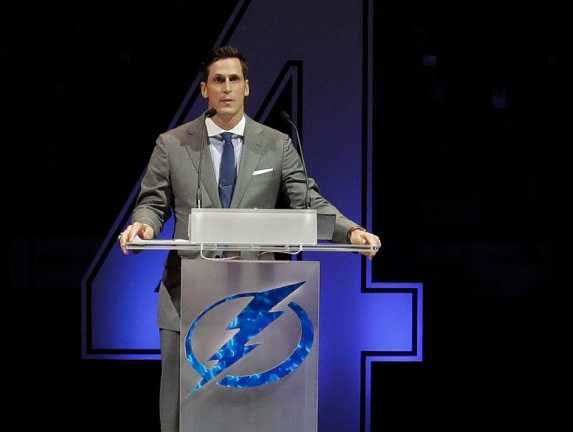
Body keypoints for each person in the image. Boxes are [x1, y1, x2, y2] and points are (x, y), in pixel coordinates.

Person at [118, 45, 381, 432]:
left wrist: (352, 230)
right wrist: (143, 226)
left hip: (255, 298)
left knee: (254, 409)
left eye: (234, 79)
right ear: (204, 89)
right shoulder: (172, 144)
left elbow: (307, 200)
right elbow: (153, 203)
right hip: (186, 294)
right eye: (218, 80)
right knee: (178, 413)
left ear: (247, 87)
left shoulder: (276, 143)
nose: (227, 87)